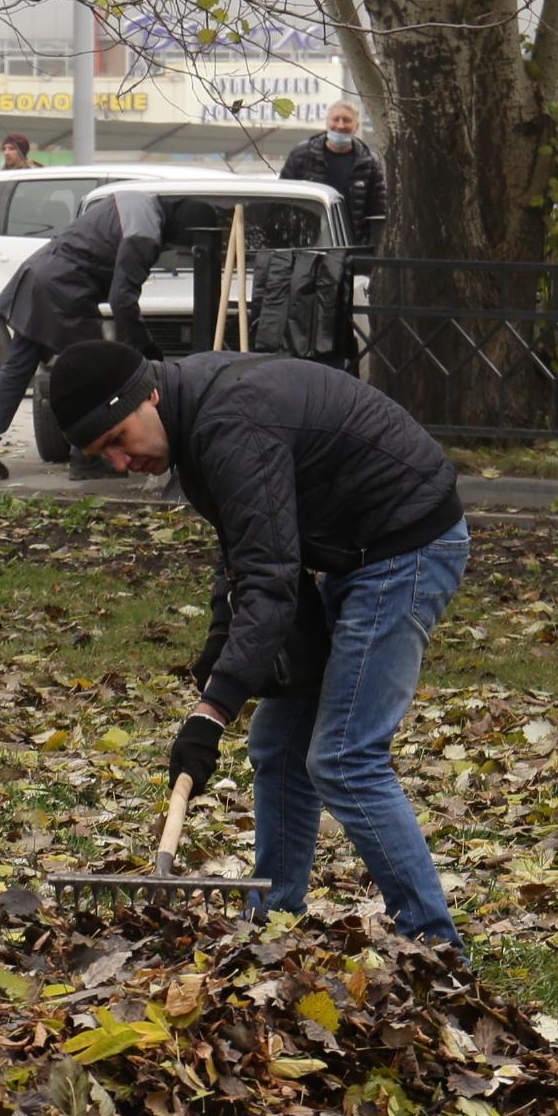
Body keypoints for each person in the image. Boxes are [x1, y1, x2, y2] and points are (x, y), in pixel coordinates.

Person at [49, 340, 473, 953]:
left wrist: (212, 712)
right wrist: (223, 644)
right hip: (344, 551)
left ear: (149, 395)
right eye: (101, 454)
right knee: (277, 741)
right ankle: (276, 916)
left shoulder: (228, 424)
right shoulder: (191, 426)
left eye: (117, 438)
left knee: (345, 757)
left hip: (405, 547)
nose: (119, 462)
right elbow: (249, 550)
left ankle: (436, 945)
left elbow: (272, 584)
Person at [0, 190, 179, 481]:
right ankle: (86, 459)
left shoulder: (130, 199)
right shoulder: (145, 228)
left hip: (41, 272)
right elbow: (122, 299)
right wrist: (144, 347)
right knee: (96, 375)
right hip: (66, 290)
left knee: (17, 366)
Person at [277, 102, 388, 247]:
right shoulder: (302, 156)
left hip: (352, 248)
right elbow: (282, 202)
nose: (340, 126)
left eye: (347, 120)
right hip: (307, 247)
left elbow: (378, 212)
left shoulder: (369, 162)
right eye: (336, 119)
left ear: (357, 127)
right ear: (327, 123)